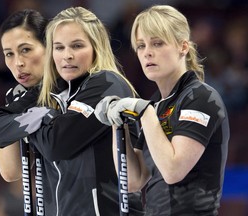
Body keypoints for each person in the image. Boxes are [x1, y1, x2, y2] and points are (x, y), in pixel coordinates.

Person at [0, 6, 144, 216]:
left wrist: (37, 116)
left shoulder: (106, 84)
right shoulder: (50, 92)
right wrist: (39, 115)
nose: (67, 55)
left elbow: (57, 145)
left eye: (77, 46)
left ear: (96, 47)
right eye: (59, 47)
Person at [95, 5, 230, 215]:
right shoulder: (156, 104)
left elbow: (173, 171)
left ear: (183, 47)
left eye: (157, 43)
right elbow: (133, 180)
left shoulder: (201, 98)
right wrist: (116, 124)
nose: (147, 52)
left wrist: (145, 114)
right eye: (140, 46)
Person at [0, 9, 57, 215]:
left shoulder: (75, 90)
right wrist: (14, 109)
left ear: (49, 47)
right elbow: (11, 172)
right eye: (9, 54)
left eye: (25, 50)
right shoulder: (17, 97)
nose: (17, 63)